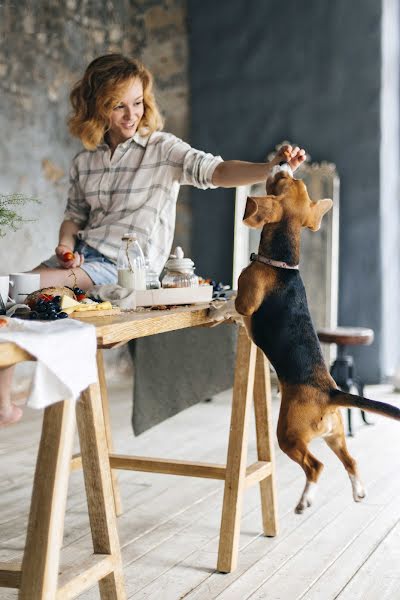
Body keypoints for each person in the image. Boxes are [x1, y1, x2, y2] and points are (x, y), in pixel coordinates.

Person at [0, 53, 306, 426]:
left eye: (138, 103)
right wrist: (65, 248)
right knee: (7, 293)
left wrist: (270, 168)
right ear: (97, 108)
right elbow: (74, 216)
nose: (132, 115)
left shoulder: (163, 149)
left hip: (123, 270)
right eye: (118, 106)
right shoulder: (86, 161)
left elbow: (218, 170)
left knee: (13, 288)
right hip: (80, 261)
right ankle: (4, 400)